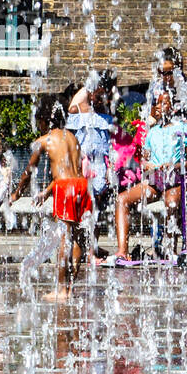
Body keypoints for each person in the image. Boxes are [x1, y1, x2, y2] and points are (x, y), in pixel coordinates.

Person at [9, 95, 89, 299]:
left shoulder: (43, 141)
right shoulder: (72, 138)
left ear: (44, 120)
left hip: (65, 188)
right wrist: (47, 191)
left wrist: (17, 192)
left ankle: (61, 290)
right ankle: (69, 287)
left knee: (64, 238)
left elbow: (28, 171)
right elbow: (71, 171)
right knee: (78, 237)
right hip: (81, 186)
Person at [109, 91, 187, 264]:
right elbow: (145, 158)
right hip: (156, 181)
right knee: (122, 199)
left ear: (173, 106)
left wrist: (174, 166)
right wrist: (146, 164)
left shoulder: (185, 128)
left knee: (171, 201)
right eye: (157, 103)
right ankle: (122, 252)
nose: (159, 107)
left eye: (163, 103)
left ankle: (171, 251)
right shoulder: (152, 132)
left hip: (176, 180)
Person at [67, 69, 118, 249]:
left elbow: (110, 146)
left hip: (99, 171)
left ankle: (92, 252)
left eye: (103, 95)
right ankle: (76, 247)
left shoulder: (107, 117)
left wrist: (110, 169)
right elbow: (70, 139)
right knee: (80, 212)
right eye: (96, 94)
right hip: (81, 168)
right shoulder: (77, 112)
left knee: (95, 213)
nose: (99, 99)